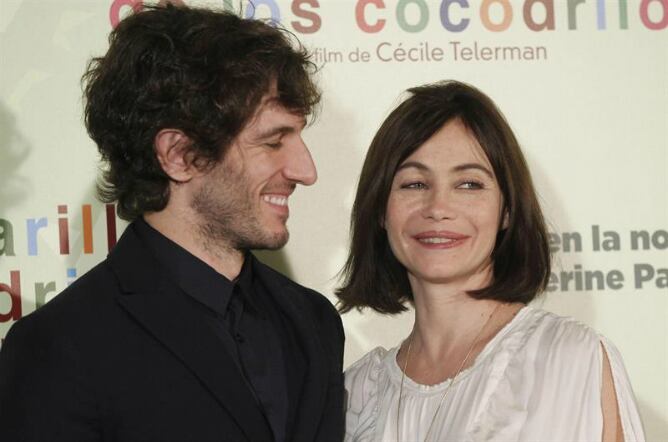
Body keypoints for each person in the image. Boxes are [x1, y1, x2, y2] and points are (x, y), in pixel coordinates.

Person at [0, 5, 344, 442]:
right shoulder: (61, 345)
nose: (305, 170)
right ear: (179, 155)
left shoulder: (314, 321)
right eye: (273, 141)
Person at [337, 80, 645, 441]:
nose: (438, 208)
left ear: (507, 210)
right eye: (414, 184)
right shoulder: (356, 395)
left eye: (469, 184)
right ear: (380, 210)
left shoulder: (572, 359)